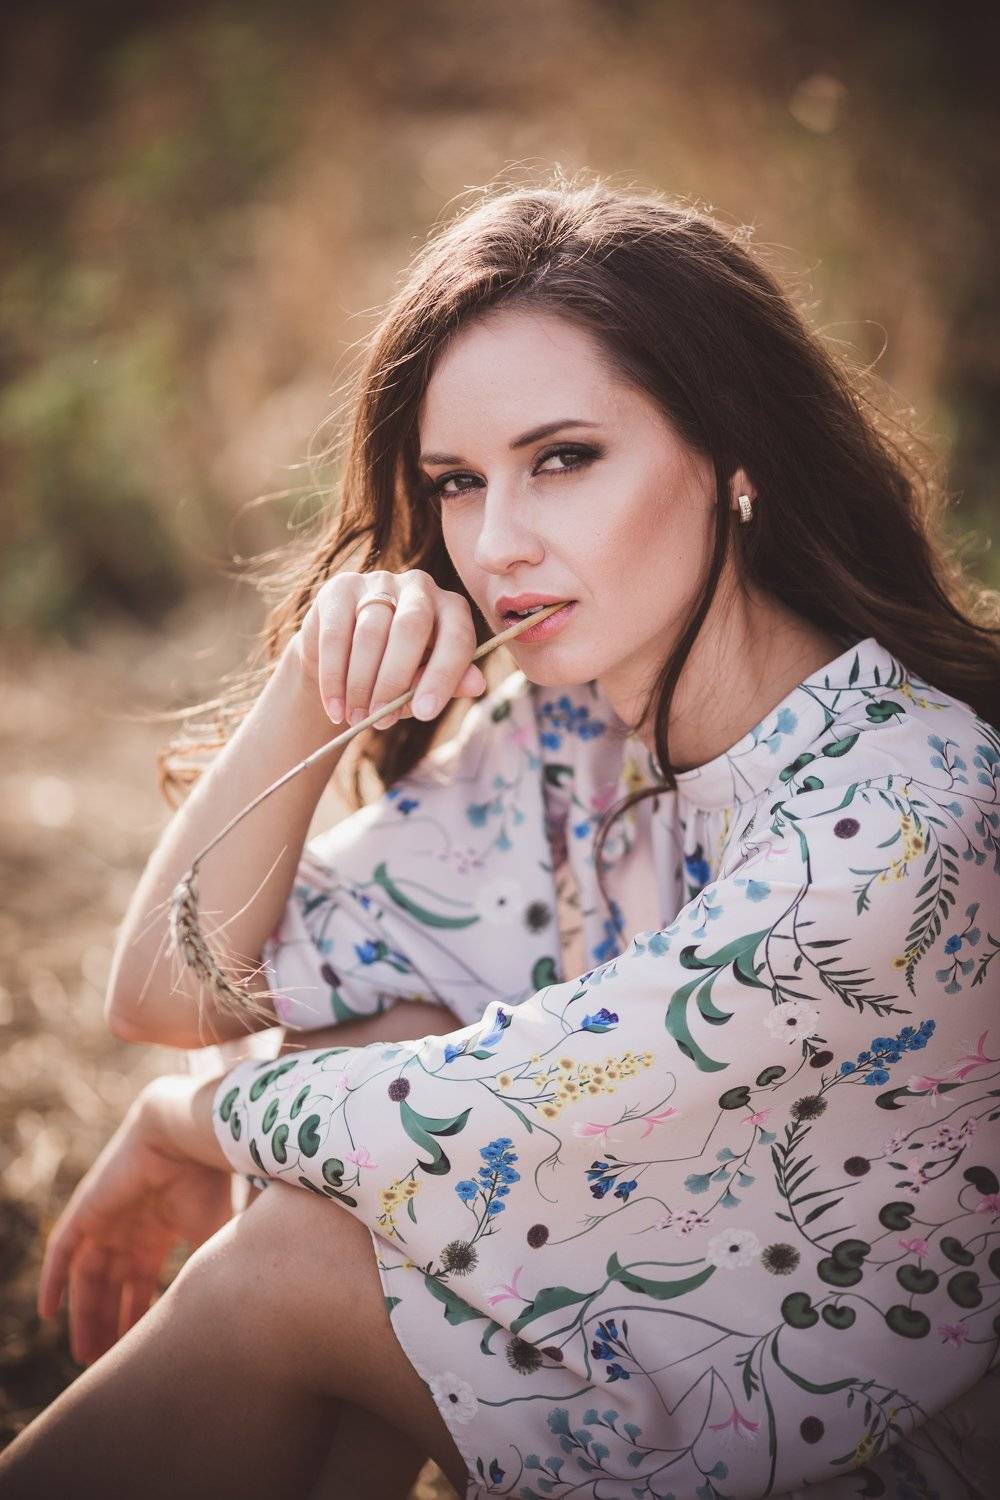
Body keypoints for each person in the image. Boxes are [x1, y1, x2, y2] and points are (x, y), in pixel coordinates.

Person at [2, 176, 998, 1500]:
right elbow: (170, 992)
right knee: (366, 1050)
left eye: (564, 458)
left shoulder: (908, 813)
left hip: (861, 1454)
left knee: (303, 1248)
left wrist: (183, 1123)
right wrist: (316, 681)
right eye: (458, 484)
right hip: (666, 1379)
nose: (498, 543)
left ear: (738, 456)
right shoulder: (570, 738)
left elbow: (486, 1112)